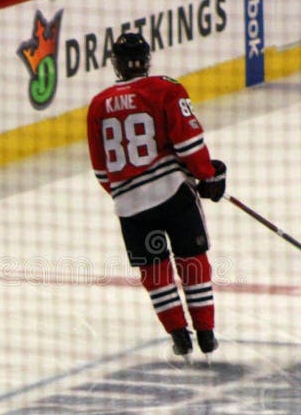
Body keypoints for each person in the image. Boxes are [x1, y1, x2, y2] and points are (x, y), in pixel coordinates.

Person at [87, 32, 227, 361]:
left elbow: (102, 172)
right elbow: (188, 143)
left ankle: (179, 336)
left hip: (130, 206)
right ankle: (206, 334)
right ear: (147, 59)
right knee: (192, 259)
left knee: (154, 269)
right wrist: (208, 175)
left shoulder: (98, 105)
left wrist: (129, 191)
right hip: (174, 194)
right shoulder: (166, 88)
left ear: (116, 63)